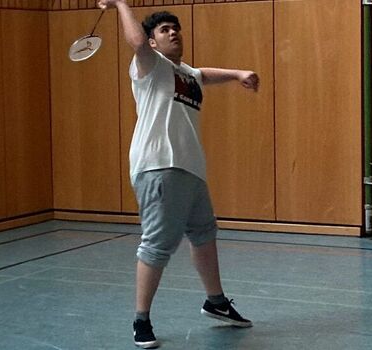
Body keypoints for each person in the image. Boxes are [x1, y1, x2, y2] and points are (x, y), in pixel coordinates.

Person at [97, 1, 260, 348]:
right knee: (157, 245)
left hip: (190, 169)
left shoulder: (185, 72)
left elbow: (203, 74)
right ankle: (141, 320)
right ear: (153, 41)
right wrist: (121, 4)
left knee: (203, 233)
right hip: (159, 166)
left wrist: (236, 74)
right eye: (164, 30)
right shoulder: (149, 65)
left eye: (176, 28)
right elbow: (137, 43)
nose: (173, 33)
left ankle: (216, 302)